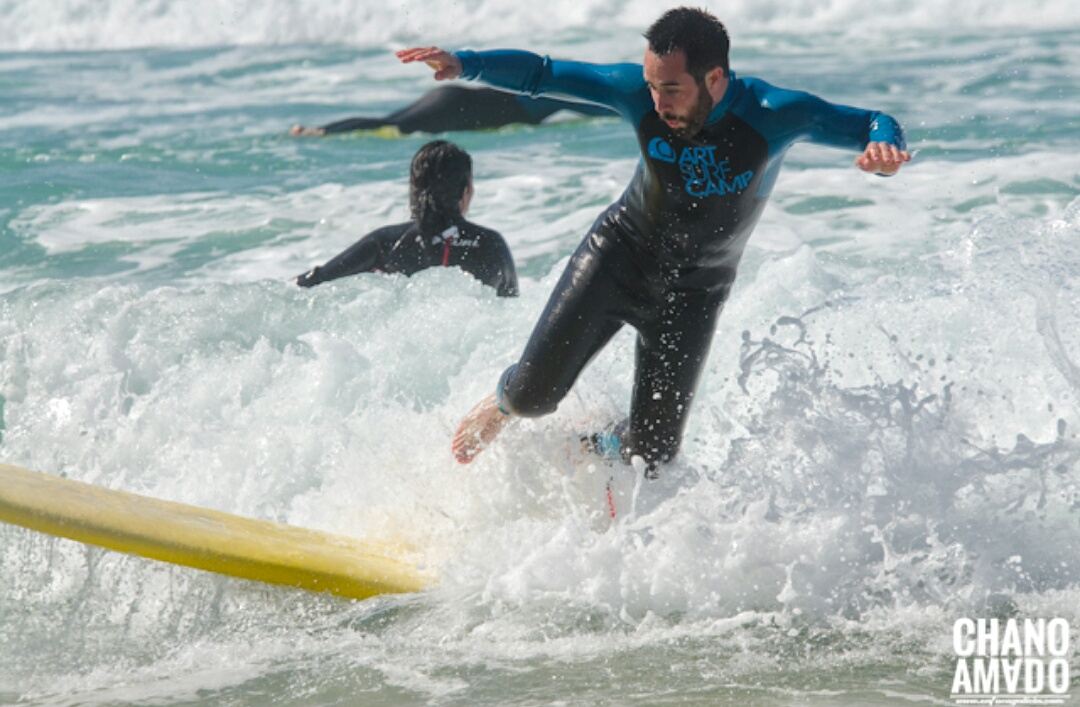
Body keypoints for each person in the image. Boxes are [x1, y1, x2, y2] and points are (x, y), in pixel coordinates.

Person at [398, 7, 911, 473]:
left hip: (695, 292)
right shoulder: (639, 93)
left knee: (653, 459)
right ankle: (504, 401)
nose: (658, 102)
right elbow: (544, 74)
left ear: (714, 78)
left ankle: (594, 444)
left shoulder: (774, 112)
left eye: (672, 90)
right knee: (533, 398)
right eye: (651, 87)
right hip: (618, 255)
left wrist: (884, 151)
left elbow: (872, 122)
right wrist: (466, 64)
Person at [294, 139, 518, 297]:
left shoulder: (386, 243)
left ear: (415, 190)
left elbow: (314, 282)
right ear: (466, 189)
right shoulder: (492, 244)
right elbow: (513, 316)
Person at [291, 84, 616, 136]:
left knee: (393, 121)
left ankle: (323, 130)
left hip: (450, 99)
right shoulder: (538, 100)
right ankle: (323, 131)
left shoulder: (530, 96)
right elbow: (580, 106)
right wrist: (621, 112)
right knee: (396, 125)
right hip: (455, 106)